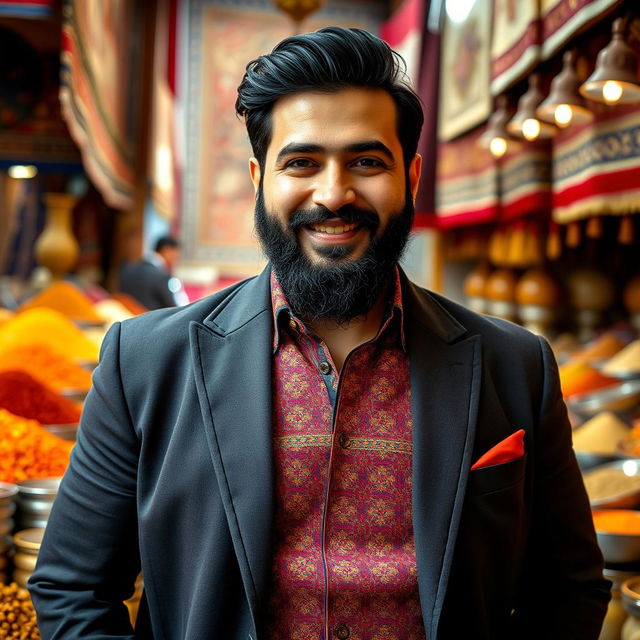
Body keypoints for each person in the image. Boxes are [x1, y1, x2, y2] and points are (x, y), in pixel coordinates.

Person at [30, 27, 609, 639]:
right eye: (301, 163)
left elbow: (568, 590)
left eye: (366, 161)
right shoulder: (145, 363)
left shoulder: (514, 366)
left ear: (412, 178)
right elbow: (74, 588)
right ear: (259, 179)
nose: (334, 194)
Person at [118, 235, 187, 310]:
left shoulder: (126, 270)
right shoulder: (162, 276)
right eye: (175, 256)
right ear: (166, 250)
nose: (175, 261)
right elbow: (174, 308)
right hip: (149, 320)